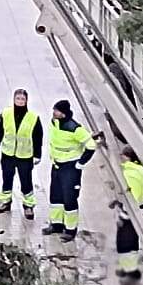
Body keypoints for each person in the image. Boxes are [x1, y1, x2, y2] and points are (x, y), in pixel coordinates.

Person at [45, 98, 99, 241]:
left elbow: (91, 146)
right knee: (56, 197)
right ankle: (56, 224)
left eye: (56, 110)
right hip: (57, 165)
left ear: (63, 113)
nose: (54, 112)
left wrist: (80, 164)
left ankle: (70, 229)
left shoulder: (74, 128)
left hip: (70, 168)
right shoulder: (54, 122)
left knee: (69, 199)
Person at [0, 89, 42, 219]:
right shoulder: (6, 114)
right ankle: (6, 202)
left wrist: (37, 155)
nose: (20, 101)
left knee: (26, 181)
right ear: (13, 99)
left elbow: (38, 137)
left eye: (22, 99)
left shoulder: (33, 118)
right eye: (17, 98)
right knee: (7, 179)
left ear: (26, 101)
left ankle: (28, 206)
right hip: (8, 154)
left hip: (25, 156)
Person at [117, 147, 143, 282]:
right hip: (142, 209)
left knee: (125, 240)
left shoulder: (129, 173)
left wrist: (125, 210)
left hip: (131, 212)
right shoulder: (140, 169)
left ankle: (128, 269)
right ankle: (130, 267)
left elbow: (133, 195)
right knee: (133, 239)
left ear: (128, 157)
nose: (120, 157)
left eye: (123, 155)